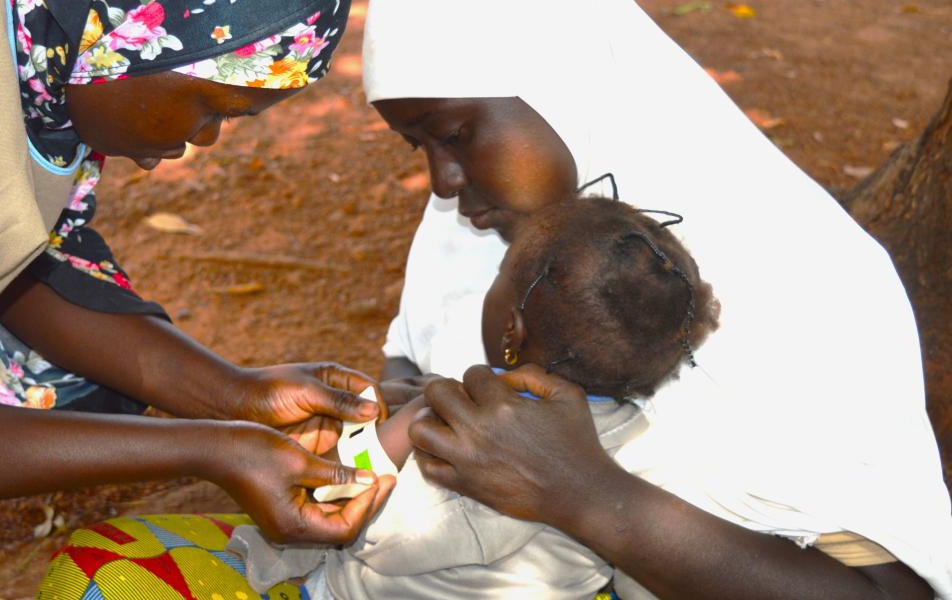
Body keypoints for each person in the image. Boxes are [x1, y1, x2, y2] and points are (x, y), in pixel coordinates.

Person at [0, 1, 396, 597]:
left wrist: (234, 395)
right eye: (214, 107)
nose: (206, 140)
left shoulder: (44, 50)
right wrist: (213, 449)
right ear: (137, 35)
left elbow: (19, 258)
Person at [364, 0, 952, 598]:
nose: (442, 182)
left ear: (561, 80)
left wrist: (585, 493)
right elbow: (412, 357)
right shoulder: (473, 227)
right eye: (418, 146)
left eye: (454, 135)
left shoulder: (806, 280)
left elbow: (892, 592)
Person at [225, 197, 722, 599]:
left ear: (511, 328)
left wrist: (389, 424)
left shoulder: (453, 419)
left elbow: (349, 499)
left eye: (499, 277)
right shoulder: (647, 458)